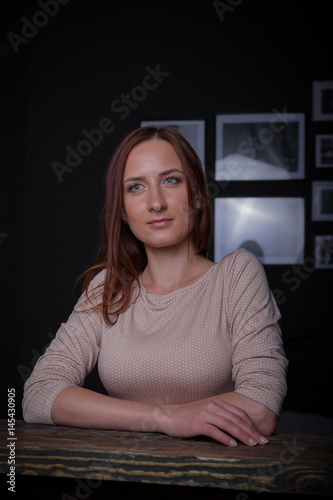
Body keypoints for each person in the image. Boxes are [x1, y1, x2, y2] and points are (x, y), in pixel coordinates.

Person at [22, 126, 288, 448]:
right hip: (118, 476)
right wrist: (162, 418)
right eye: (136, 187)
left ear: (198, 195)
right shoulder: (108, 288)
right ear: (121, 210)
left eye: (171, 180)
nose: (156, 202)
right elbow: (38, 394)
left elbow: (261, 406)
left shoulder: (236, 276)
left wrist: (165, 417)